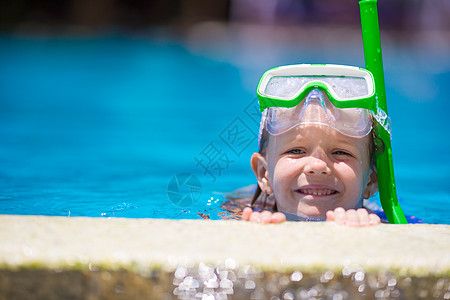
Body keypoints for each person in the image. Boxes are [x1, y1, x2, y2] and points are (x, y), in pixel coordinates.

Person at [241, 64, 384, 226]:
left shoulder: (382, 223)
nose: (317, 165)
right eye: (296, 150)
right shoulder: (242, 213)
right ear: (264, 173)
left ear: (371, 180)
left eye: (340, 152)